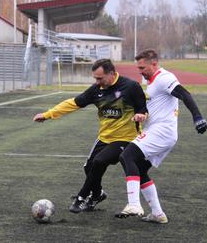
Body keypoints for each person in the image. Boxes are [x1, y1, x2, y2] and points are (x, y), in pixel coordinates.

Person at [33, 59, 148, 213]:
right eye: (95, 78)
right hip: (104, 137)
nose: (97, 82)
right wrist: (47, 115)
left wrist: (141, 115)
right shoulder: (97, 89)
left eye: (100, 78)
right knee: (89, 167)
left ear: (112, 73)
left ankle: (81, 197)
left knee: (99, 161)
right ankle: (97, 194)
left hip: (126, 139)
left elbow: (143, 108)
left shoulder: (131, 86)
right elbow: (73, 103)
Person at [115, 49, 207, 224]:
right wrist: (143, 115)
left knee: (126, 156)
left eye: (142, 67)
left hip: (161, 132)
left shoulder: (164, 78)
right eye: (138, 68)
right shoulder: (152, 82)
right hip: (160, 132)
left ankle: (134, 204)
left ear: (154, 63)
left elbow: (184, 94)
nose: (140, 71)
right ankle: (158, 214)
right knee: (140, 170)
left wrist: (197, 117)